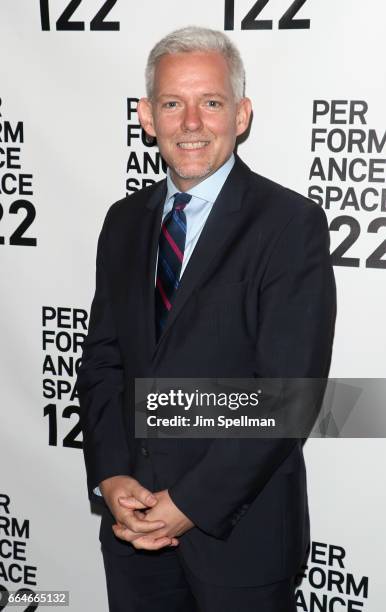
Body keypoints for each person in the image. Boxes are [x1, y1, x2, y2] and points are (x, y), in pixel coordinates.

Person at [76, 26, 336, 612]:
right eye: (173, 103)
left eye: (211, 102)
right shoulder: (123, 222)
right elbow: (103, 363)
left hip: (240, 539)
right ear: (147, 117)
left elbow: (287, 397)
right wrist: (112, 478)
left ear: (241, 115)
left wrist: (189, 502)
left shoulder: (290, 225)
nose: (191, 121)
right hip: (132, 533)